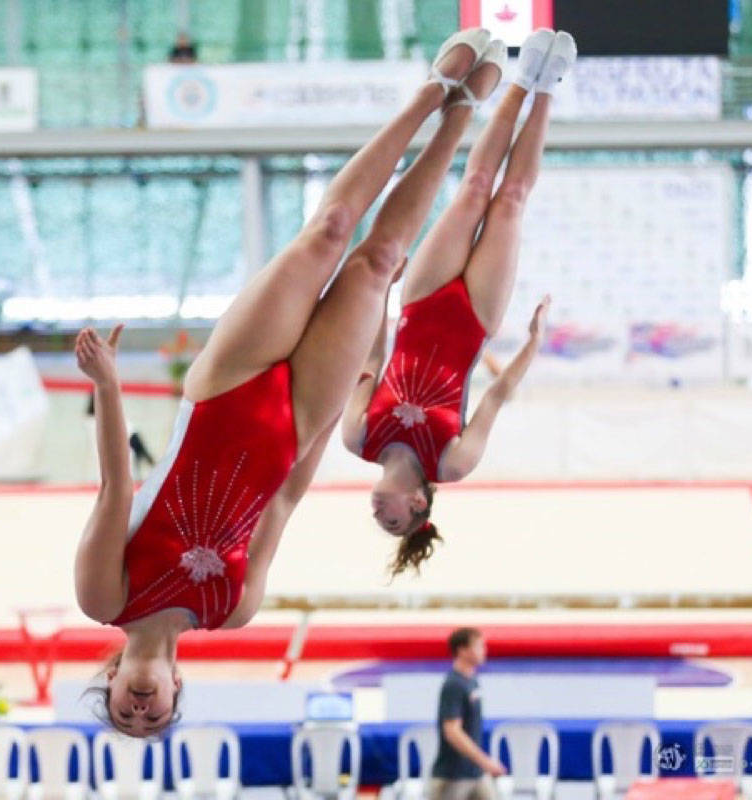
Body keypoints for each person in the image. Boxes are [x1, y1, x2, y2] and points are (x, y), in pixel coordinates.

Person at [73, 26, 504, 737]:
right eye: (156, 717)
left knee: (331, 230)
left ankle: (432, 93)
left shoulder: (103, 597)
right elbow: (283, 503)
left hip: (224, 390)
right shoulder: (233, 610)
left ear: (113, 679)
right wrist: (336, 404)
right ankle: (461, 118)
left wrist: (107, 384)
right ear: (180, 688)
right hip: (298, 419)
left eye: (125, 709)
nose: (141, 709)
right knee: (379, 264)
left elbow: (117, 487)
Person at [340, 29, 576, 577]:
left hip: (420, 300)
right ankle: (546, 90)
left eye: (382, 522)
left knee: (473, 190)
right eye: (394, 522)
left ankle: (520, 82)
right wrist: (534, 342)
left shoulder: (358, 437)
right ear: (419, 505)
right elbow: (495, 396)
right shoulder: (453, 461)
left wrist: (380, 293)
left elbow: (370, 361)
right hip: (476, 319)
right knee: (510, 202)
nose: (381, 515)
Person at [432, 627, 505, 800]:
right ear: (463, 650)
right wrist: (484, 761)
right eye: (479, 646)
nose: (484, 651)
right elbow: (452, 731)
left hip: (475, 773)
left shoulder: (472, 681)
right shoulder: (454, 685)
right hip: (453, 776)